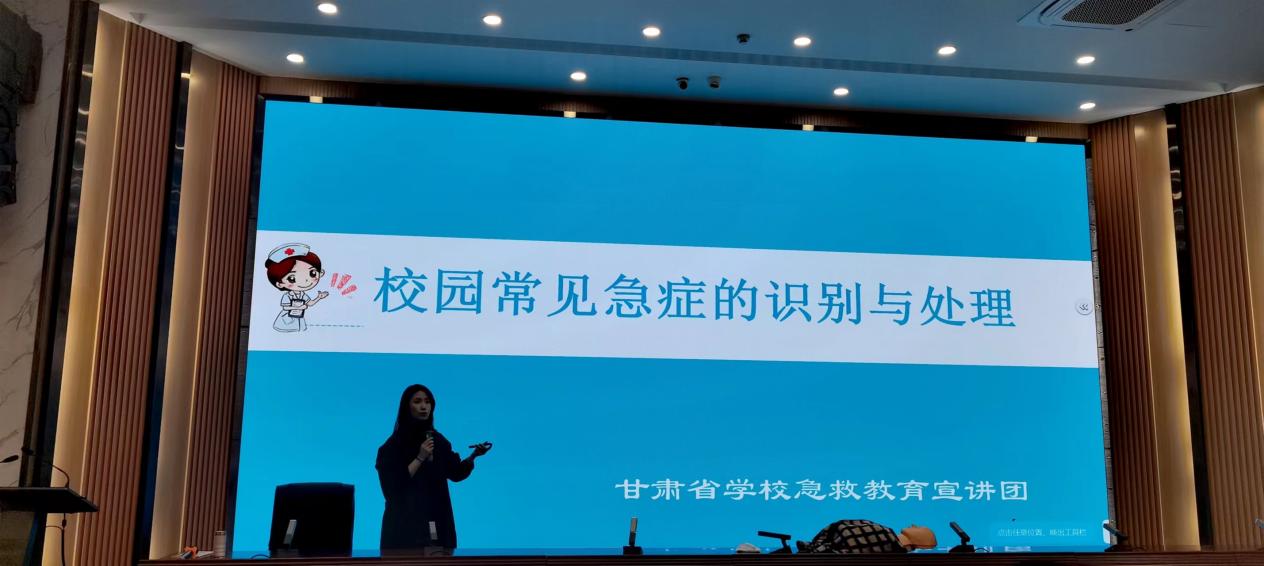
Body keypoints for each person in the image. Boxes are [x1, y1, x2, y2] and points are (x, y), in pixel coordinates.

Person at [376, 384, 491, 555]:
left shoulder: (438, 441)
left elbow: (455, 473)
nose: (424, 406)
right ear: (406, 407)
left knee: (437, 562)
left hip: (436, 524)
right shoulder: (393, 446)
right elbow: (393, 489)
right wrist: (420, 457)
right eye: (417, 401)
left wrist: (474, 456)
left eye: (427, 402)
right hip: (403, 530)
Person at [263, 243, 329, 332]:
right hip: (287, 319)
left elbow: (310, 303)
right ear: (280, 284)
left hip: (299, 318)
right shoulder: (287, 296)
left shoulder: (302, 295)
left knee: (300, 332)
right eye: (292, 278)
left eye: (312, 273)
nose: (305, 280)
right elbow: (285, 308)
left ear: (320, 273)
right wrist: (299, 308)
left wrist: (319, 297)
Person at [796, 519, 937, 554]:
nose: (913, 525)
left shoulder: (885, 535)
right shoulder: (886, 533)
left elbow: (844, 530)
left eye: (919, 528)